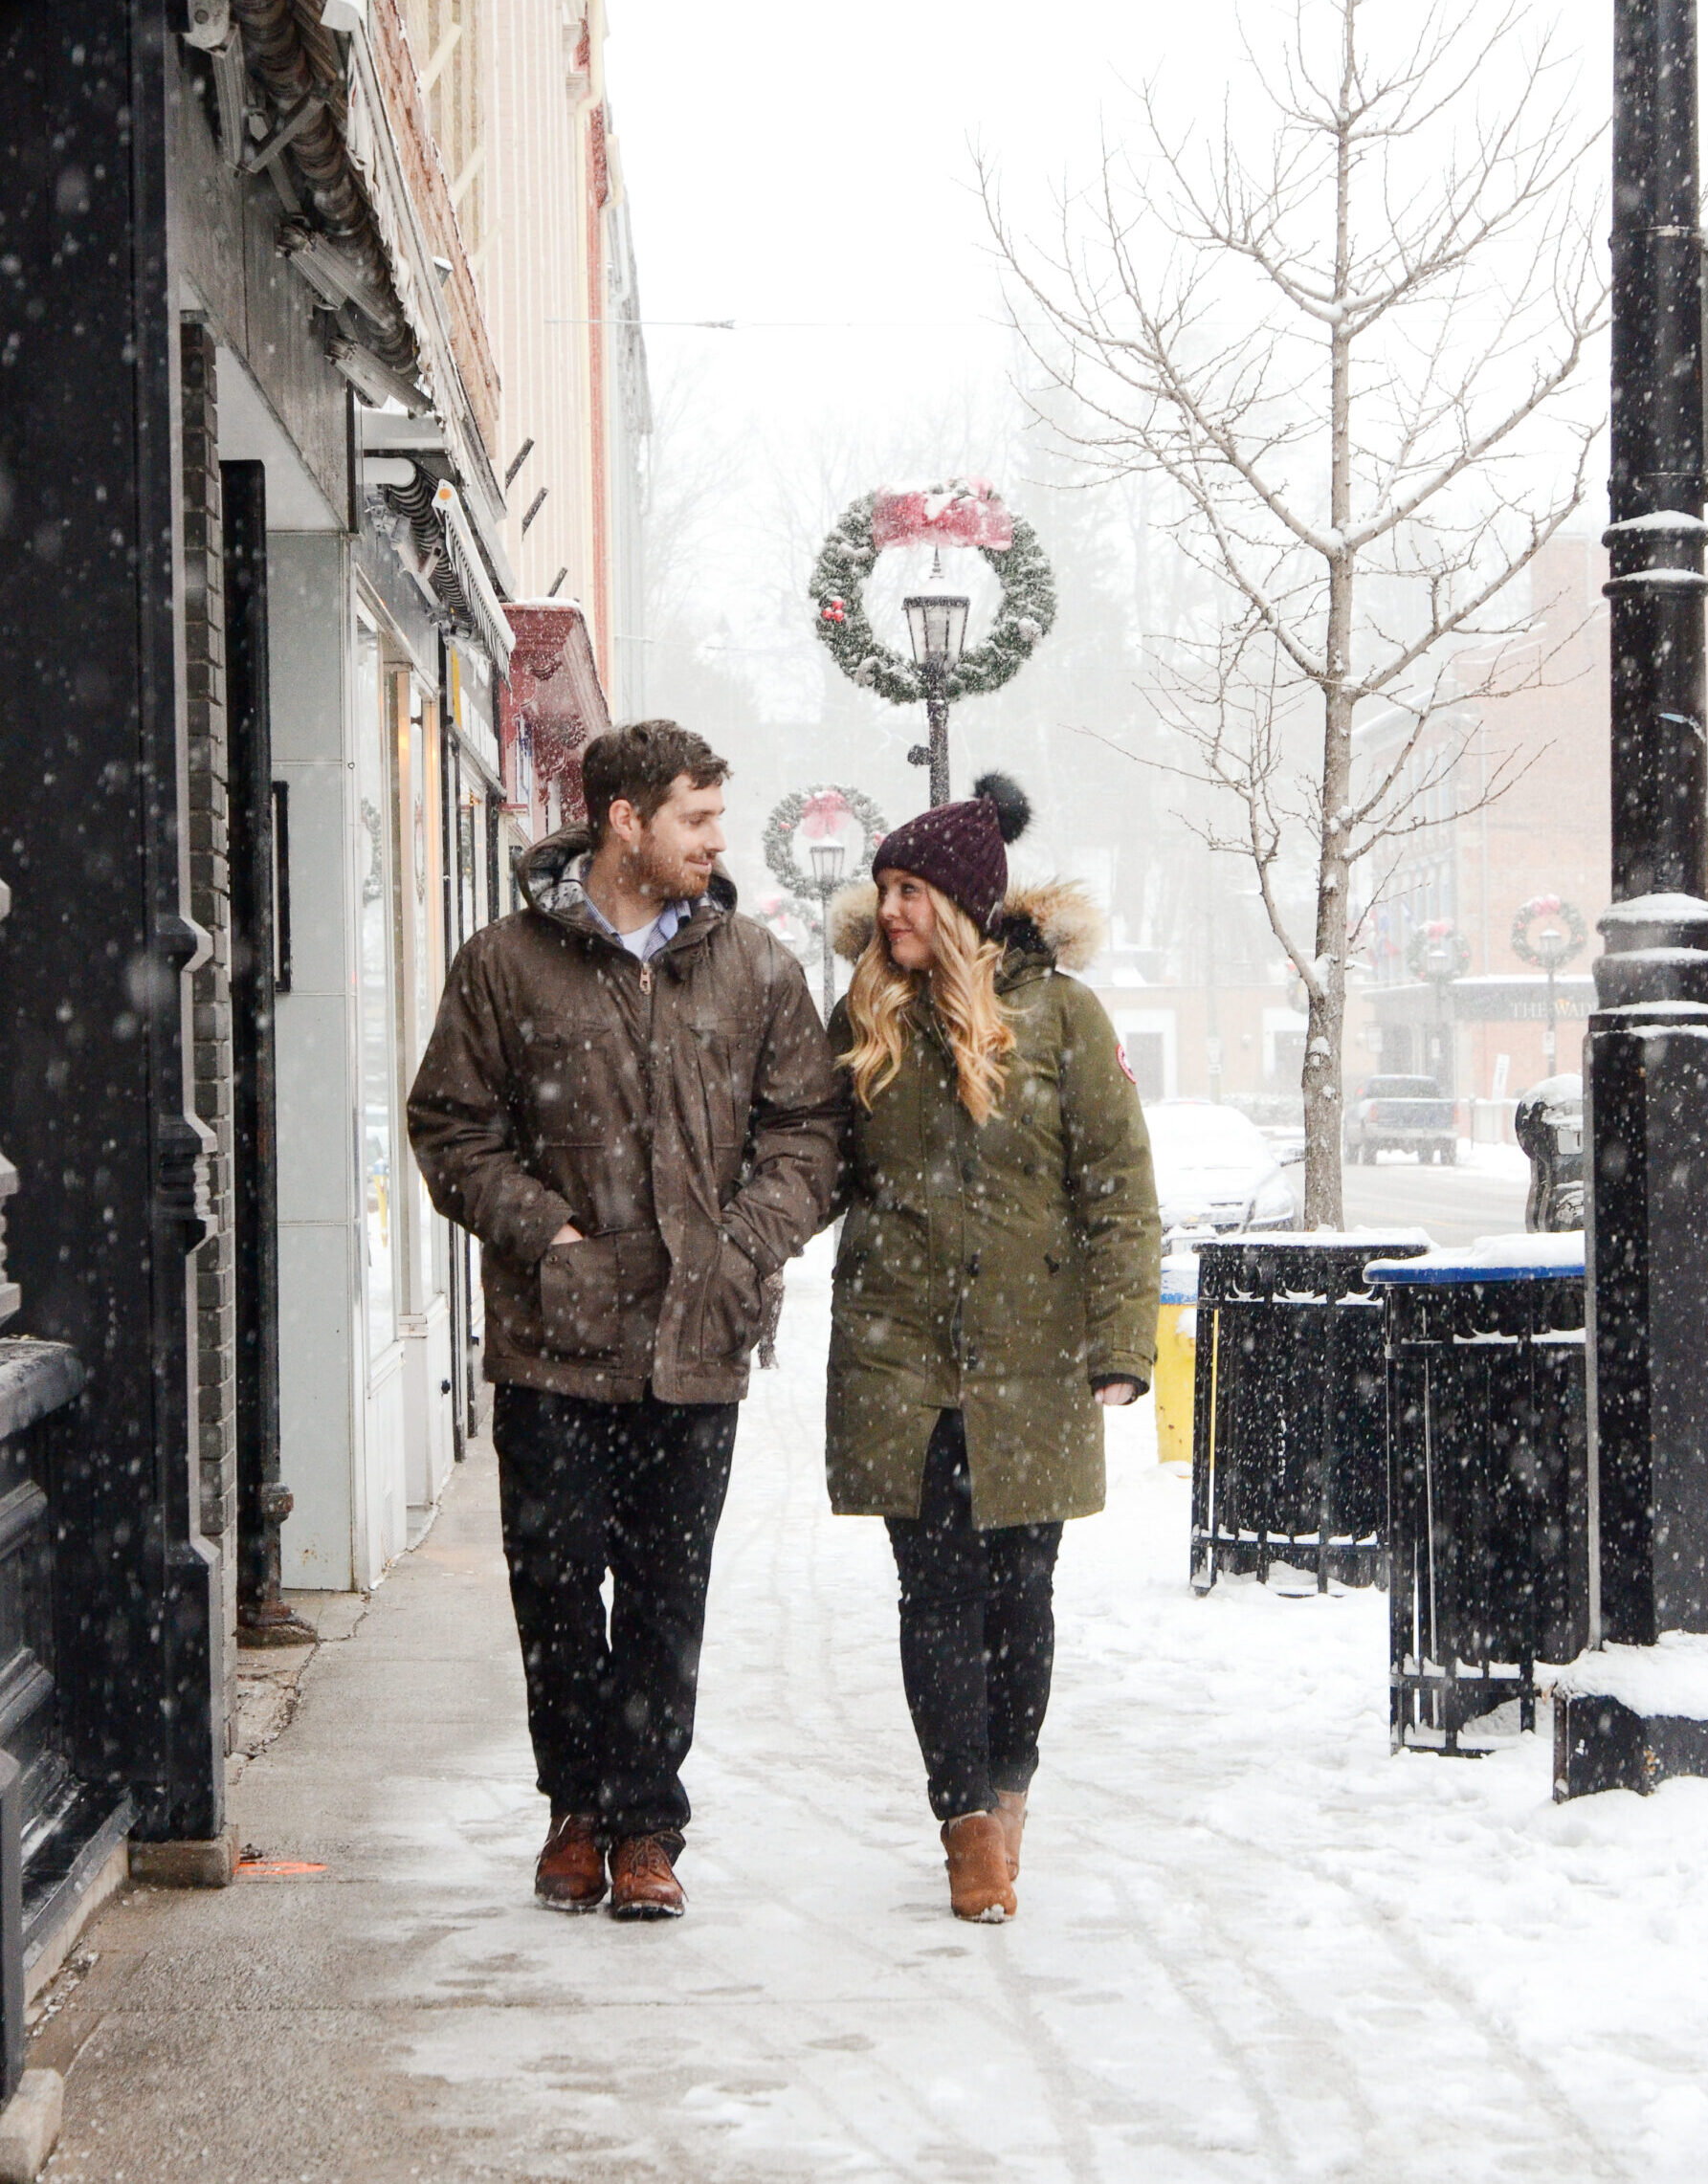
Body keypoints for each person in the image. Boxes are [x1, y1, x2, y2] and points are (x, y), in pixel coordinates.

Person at [408, 721, 841, 1921]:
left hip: (696, 1337)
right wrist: (545, 1235)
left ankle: (647, 1823)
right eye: (694, 821)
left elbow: (808, 1132)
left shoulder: (753, 966)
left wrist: (747, 1242)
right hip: (555, 1336)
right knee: (553, 1583)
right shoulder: (505, 964)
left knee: (664, 1587)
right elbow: (451, 1124)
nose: (715, 843)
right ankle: (575, 1808)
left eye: (717, 820)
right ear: (623, 820)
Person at [824, 774, 1161, 1923]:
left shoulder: (1064, 1019)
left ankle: (1006, 1790)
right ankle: (963, 1821)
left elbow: (1118, 1189)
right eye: (882, 888)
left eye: (909, 889)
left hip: (1031, 1365)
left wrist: (1121, 1340)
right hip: (900, 1360)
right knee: (932, 1595)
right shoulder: (866, 1019)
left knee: (1019, 1598)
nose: (889, 912)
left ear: (961, 904)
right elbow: (807, 1164)